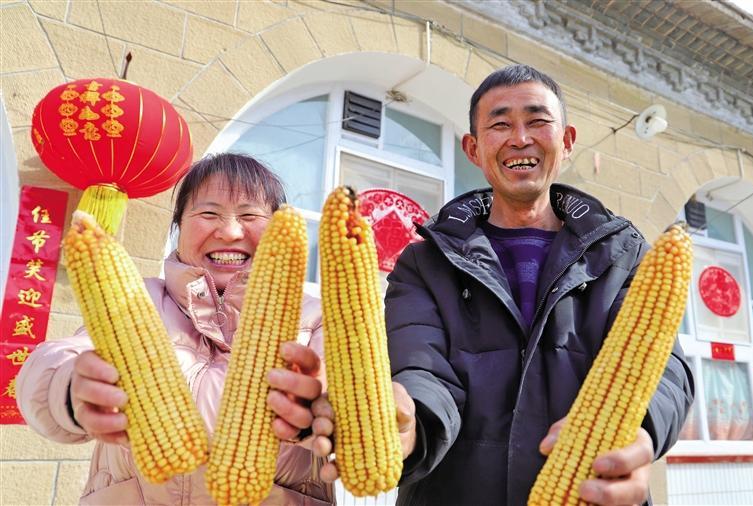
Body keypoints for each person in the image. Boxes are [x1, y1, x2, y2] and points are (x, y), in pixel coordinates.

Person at [309, 64, 694, 505]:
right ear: (472, 149)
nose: (520, 138)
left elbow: (663, 369)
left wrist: (637, 431)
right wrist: (410, 424)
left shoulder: (622, 255)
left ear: (567, 141)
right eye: (499, 124)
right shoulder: (425, 262)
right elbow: (421, 368)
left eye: (537, 121)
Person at [16, 153, 334, 505]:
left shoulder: (315, 316)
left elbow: (342, 397)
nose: (229, 231)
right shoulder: (138, 300)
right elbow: (57, 364)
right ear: (178, 227)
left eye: (249, 215)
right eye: (208, 213)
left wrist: (321, 412)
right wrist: (70, 388)